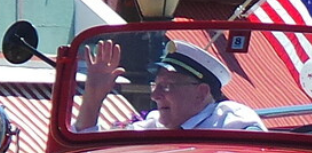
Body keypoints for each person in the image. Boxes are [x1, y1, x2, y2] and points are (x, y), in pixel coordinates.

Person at [72, 40, 264, 132]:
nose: (154, 95)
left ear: (201, 92)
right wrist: (93, 97)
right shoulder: (152, 127)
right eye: (155, 85)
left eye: (166, 86)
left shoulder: (229, 121)